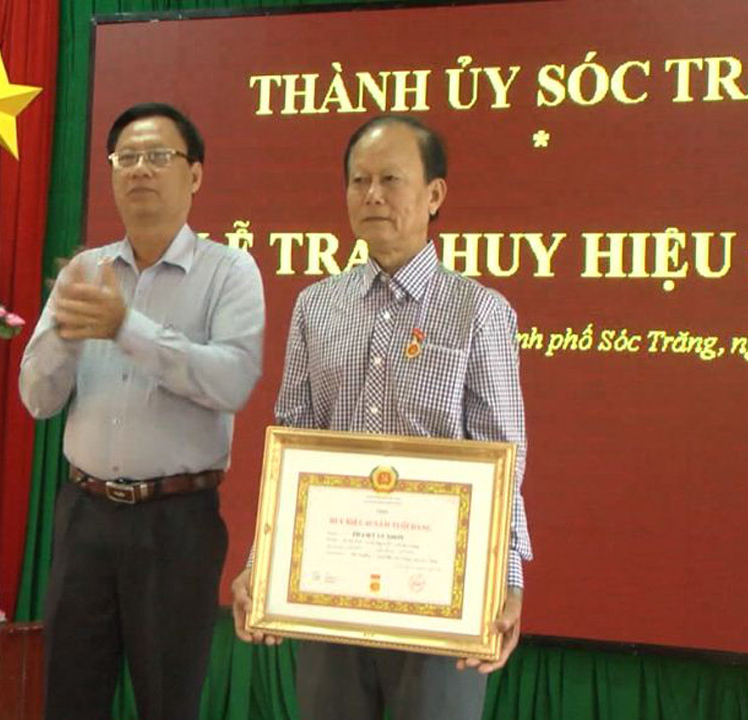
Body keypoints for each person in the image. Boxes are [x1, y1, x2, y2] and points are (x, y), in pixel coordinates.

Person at [230, 114, 532, 720]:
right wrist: (262, 563)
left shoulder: (479, 311)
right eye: (358, 180)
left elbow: (503, 455)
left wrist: (507, 578)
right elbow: (293, 442)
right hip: (328, 587)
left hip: (442, 595)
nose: (371, 194)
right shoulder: (316, 306)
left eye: (390, 179)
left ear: (434, 194)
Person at [18, 102, 265, 720]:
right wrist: (67, 332)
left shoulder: (230, 271)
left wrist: (125, 326)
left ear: (195, 174)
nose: (140, 170)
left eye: (158, 156)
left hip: (176, 521)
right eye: (126, 158)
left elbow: (232, 381)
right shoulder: (85, 271)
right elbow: (38, 399)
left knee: (167, 703)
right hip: (85, 515)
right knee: (69, 701)